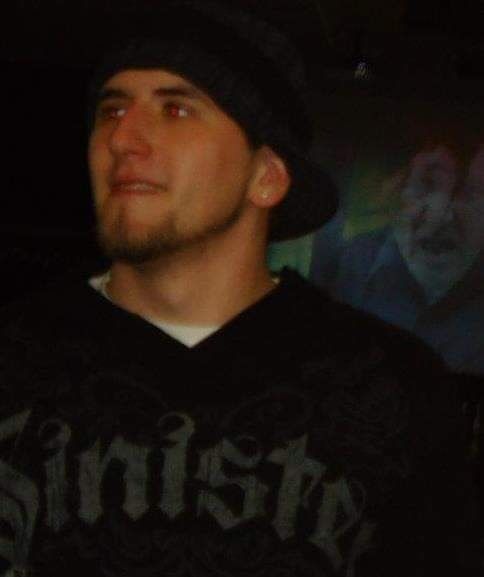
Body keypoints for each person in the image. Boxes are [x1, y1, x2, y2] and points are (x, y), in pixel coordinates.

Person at [0, 2, 479, 576]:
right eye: (111, 110)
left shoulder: (393, 389)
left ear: (266, 177)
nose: (122, 137)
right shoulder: (15, 358)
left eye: (176, 109)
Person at [312, 140, 484, 374]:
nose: (441, 215)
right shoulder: (346, 263)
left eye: (470, 194)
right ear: (396, 194)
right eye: (427, 186)